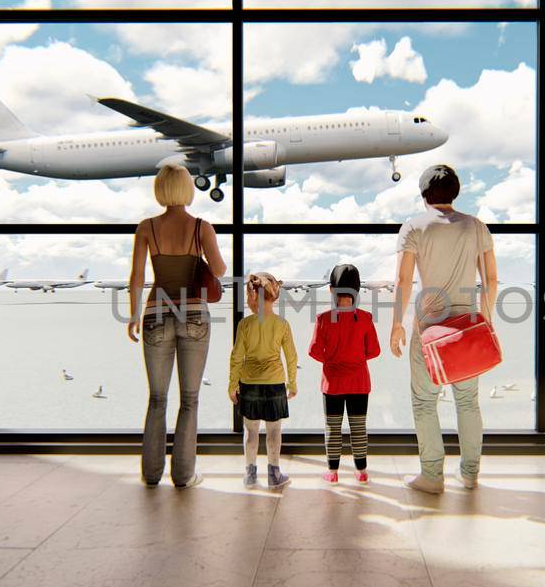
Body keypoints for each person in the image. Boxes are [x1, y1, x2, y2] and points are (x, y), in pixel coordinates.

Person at [389, 164, 497, 493]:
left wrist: (396, 323)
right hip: (467, 328)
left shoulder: (414, 227)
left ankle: (432, 477)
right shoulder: (476, 226)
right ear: (456, 192)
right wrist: (486, 319)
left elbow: (403, 280)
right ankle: (470, 473)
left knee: (424, 402)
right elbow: (490, 279)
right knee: (468, 402)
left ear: (424, 195)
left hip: (430, 329)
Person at [127, 163, 227, 489]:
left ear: (160, 188)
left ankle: (151, 474)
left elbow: (138, 278)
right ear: (187, 188)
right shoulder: (201, 227)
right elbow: (221, 269)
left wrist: (131, 315)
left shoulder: (146, 228)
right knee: (190, 399)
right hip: (194, 314)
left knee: (157, 399)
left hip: (155, 313)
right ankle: (184, 476)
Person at [308, 263, 381, 484]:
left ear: (332, 290)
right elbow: (375, 350)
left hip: (333, 382)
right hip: (359, 380)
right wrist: (356, 359)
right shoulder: (366, 318)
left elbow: (313, 351)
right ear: (357, 291)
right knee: (359, 427)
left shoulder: (323, 319)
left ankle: (332, 472)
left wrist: (332, 360)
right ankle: (361, 471)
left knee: (333, 426)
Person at [229, 272, 298, 488]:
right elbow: (291, 356)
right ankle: (274, 474)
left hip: (249, 384)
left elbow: (237, 356)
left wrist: (233, 384)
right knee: (274, 431)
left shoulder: (245, 324)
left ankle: (250, 474)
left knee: (250, 432)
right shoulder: (282, 324)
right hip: (275, 383)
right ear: (274, 295)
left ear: (251, 297)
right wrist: (292, 383)